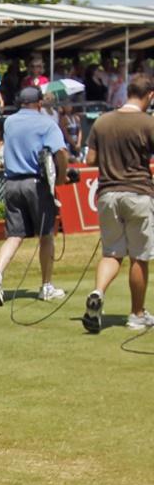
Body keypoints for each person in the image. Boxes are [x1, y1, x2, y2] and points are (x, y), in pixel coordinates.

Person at [81, 74, 154, 332]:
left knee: (111, 253)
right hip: (138, 192)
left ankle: (98, 292)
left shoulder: (102, 122)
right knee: (139, 256)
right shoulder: (148, 122)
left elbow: (90, 159)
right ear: (150, 96)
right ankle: (137, 314)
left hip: (108, 194)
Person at [0, 86, 68, 306]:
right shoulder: (46, 123)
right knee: (46, 235)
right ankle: (46, 286)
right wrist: (61, 177)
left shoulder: (10, 122)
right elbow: (61, 152)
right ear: (39, 104)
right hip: (35, 183)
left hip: (12, 182)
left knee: (14, 235)